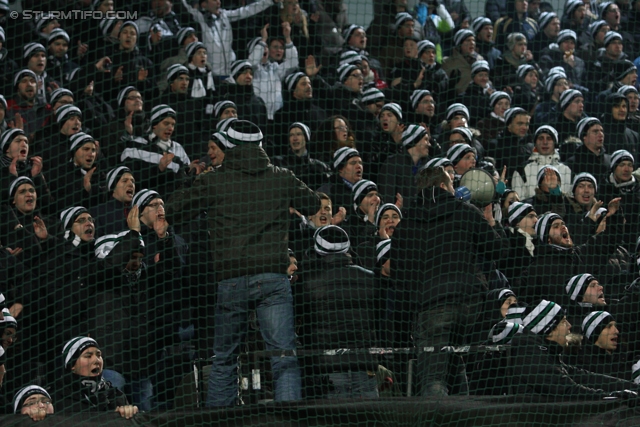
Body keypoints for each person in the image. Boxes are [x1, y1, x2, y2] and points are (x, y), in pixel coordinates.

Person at [166, 119, 320, 407]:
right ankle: (288, 421)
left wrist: (191, 177)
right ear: (260, 145)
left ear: (230, 145)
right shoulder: (281, 176)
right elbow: (312, 204)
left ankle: (219, 423)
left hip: (232, 280)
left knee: (225, 358)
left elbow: (173, 210)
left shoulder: (213, 180)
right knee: (283, 355)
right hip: (273, 279)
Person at [391, 165, 506, 396]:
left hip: (432, 310)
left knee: (433, 379)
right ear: (443, 186)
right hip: (470, 307)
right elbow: (499, 252)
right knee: (454, 366)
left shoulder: (405, 225)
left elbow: (399, 278)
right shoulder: (465, 211)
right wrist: (491, 221)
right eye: (452, 185)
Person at [300, 225, 380, 399]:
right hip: (364, 366)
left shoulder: (309, 284)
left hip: (328, 368)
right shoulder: (370, 279)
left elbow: (303, 327)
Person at [180, 0, 281, 77]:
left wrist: (270, 1)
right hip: (212, 74)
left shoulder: (224, 15)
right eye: (214, 0)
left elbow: (247, 10)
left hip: (230, 72)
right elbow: (184, 6)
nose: (218, 1)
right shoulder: (199, 18)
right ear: (204, 4)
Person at [56, 337, 138, 418]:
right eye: (88, 356)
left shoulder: (115, 395)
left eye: (99, 355)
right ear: (72, 365)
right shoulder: (56, 396)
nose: (97, 360)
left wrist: (128, 413)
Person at [512, 125, 573, 199]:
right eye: (541, 138)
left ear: (555, 143)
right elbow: (518, 202)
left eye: (549, 138)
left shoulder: (567, 170)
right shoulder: (522, 170)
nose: (545, 142)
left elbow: (571, 200)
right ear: (535, 142)